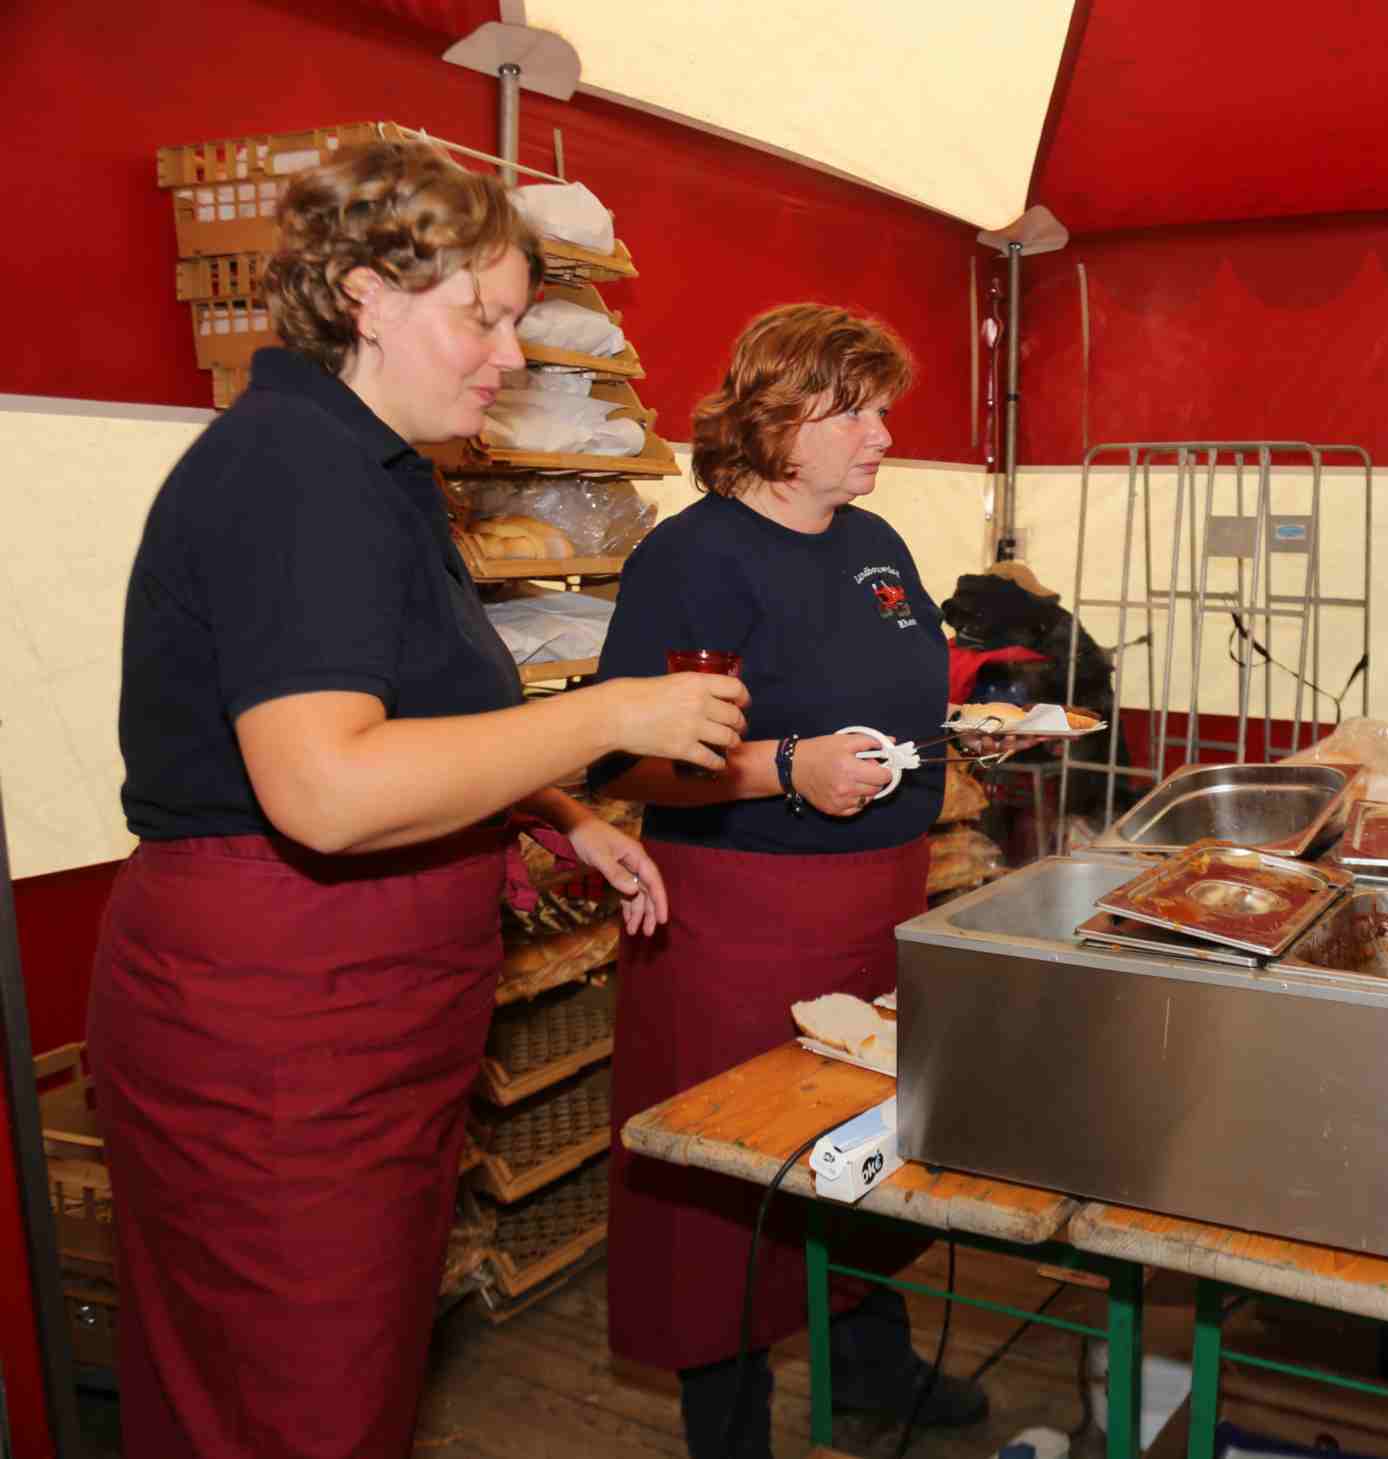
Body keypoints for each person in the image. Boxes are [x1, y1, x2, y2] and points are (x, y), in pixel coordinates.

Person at [89, 141, 749, 1458]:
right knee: (293, 1404)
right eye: (480, 317)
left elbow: (411, 723)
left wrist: (557, 810)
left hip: (353, 1014)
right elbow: (326, 789)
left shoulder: (378, 472)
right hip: (281, 1025)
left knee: (320, 1376)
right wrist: (610, 714)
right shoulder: (294, 472)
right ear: (363, 295)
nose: (507, 356)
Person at [592, 304, 988, 1459]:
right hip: (739, 917)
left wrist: (970, 732)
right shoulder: (694, 558)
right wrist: (787, 769)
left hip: (877, 901)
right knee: (731, 1182)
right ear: (773, 417)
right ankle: (728, 1430)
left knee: (860, 1145)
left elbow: (900, 692)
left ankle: (869, 1366)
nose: (883, 434)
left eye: (882, 408)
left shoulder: (875, 541)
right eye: (854, 411)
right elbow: (624, 760)